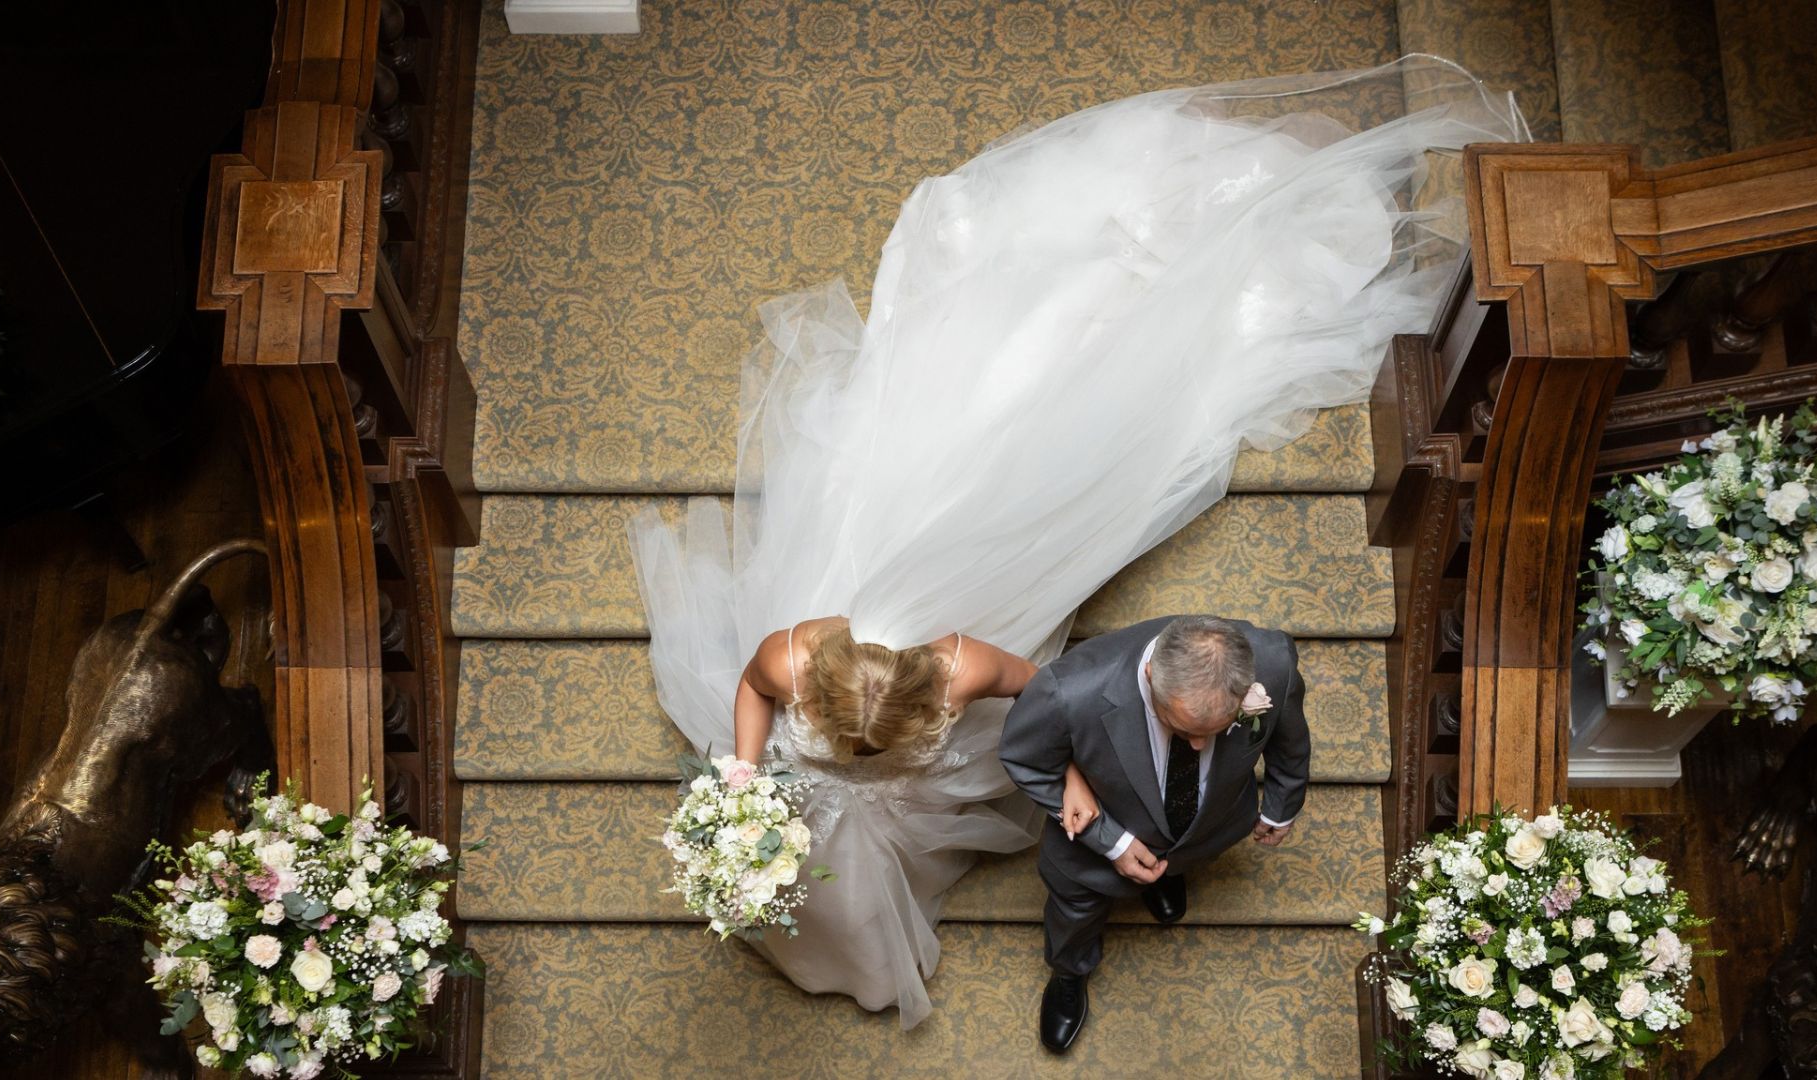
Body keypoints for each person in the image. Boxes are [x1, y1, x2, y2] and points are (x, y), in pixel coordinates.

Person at [628, 56, 1526, 1028]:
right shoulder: (789, 652)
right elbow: (757, 699)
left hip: (996, 596)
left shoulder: (964, 662)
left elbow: (1045, 695)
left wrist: (1074, 781)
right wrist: (748, 773)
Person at [999, 614, 1309, 1052]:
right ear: (1150, 676)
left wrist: (1281, 805)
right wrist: (1113, 842)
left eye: (1213, 732)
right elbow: (1024, 760)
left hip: (1209, 826)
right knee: (1075, 912)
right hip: (1095, 841)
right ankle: (1070, 972)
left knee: (1185, 852)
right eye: (1183, 730)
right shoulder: (1069, 691)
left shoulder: (1274, 660)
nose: (1198, 746)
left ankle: (1168, 872)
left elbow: (1290, 737)